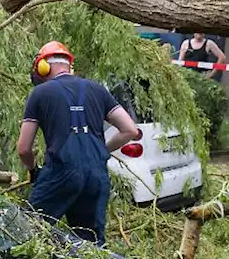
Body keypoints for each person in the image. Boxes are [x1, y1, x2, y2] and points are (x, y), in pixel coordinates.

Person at [17, 41, 139, 244]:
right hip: (96, 175)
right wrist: (101, 150)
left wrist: (33, 170)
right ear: (69, 65)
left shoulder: (39, 93)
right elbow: (130, 130)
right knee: (90, 243)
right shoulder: (98, 90)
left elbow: (23, 149)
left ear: (43, 66)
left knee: (31, 229)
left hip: (60, 173)